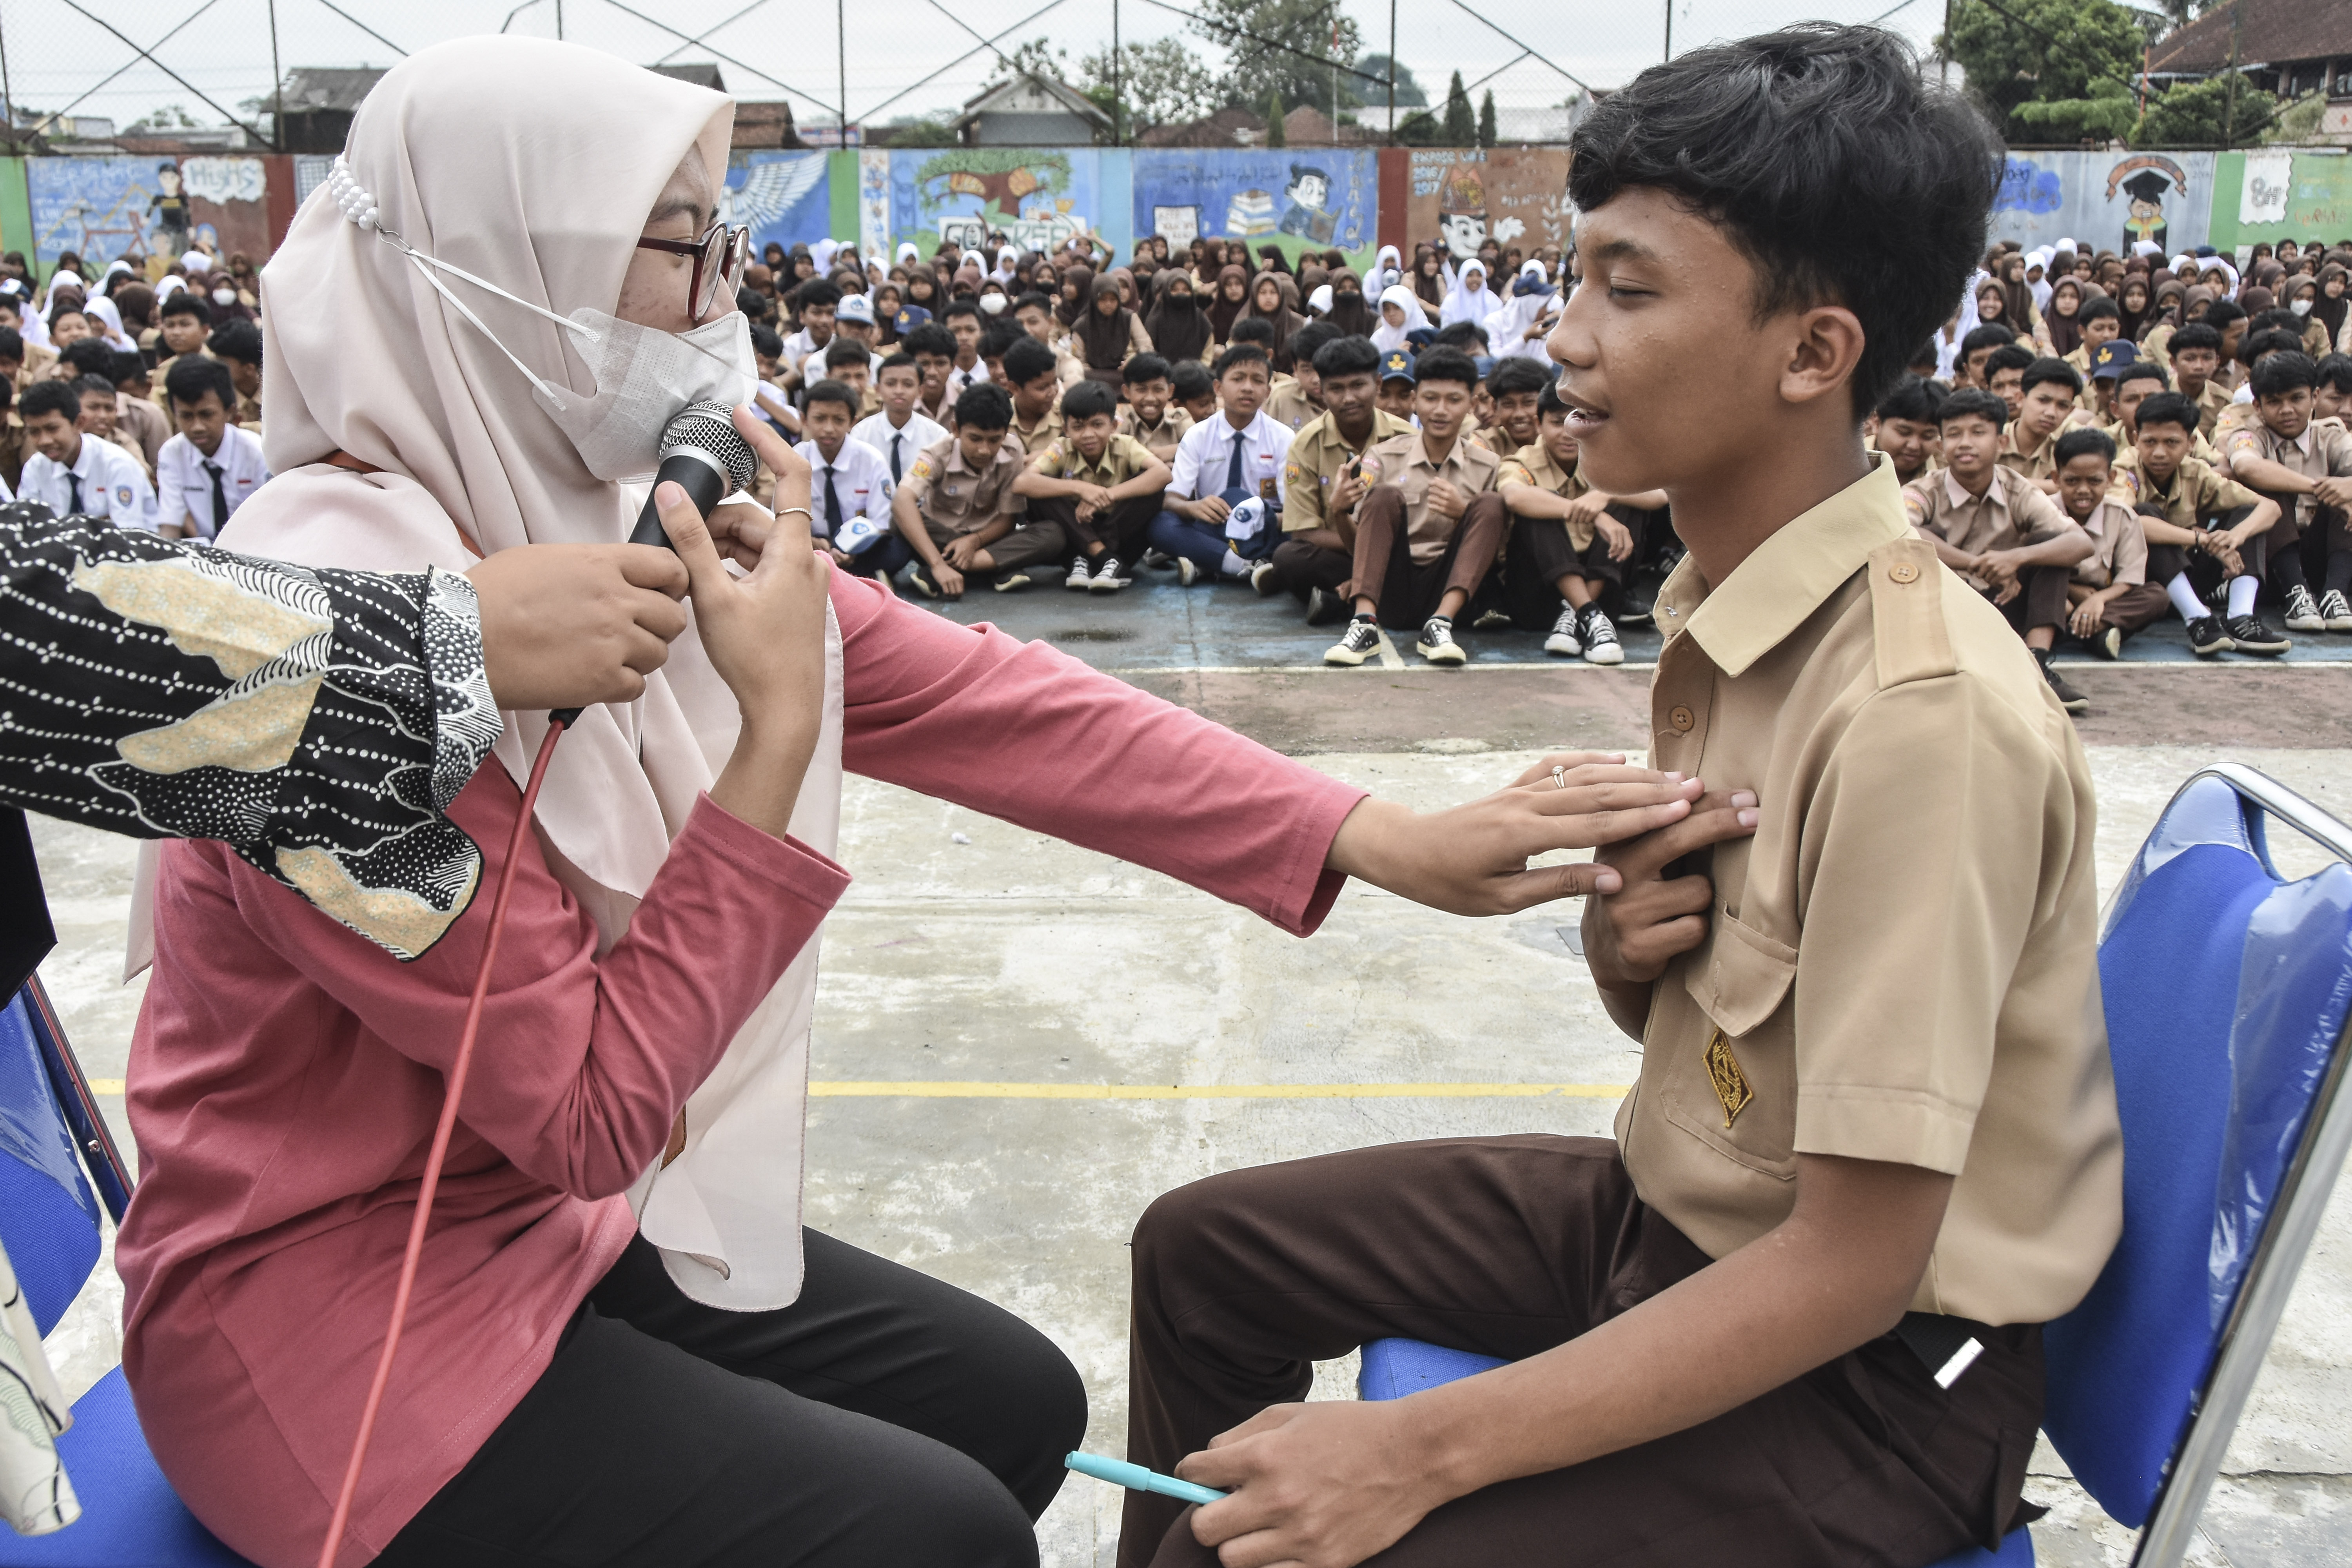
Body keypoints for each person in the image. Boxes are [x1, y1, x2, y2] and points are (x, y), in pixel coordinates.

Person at [1118, 27, 2124, 1568]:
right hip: (1677, 1220)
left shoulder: (1920, 715)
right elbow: (1736, 1039)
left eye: (1628, 290)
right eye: (1574, 280)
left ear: (1813, 353)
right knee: (1206, 1254)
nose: (1565, 338)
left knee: (1247, 1538)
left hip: (1868, 1381)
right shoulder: (1724, 611)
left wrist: (1413, 1451)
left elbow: (1855, 1263)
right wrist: (1621, 953)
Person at [1903, 387, 2094, 711]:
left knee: (2049, 544)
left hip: (2004, 604)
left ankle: (2037, 665)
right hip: (1947, 607)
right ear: (1941, 446)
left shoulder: (2018, 489)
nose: (1965, 443)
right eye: (1954, 434)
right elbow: (1901, 531)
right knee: (1920, 538)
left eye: (1978, 433)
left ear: (2001, 442)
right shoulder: (1924, 490)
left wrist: (2015, 559)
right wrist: (1978, 564)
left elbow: (2081, 543)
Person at [1322, 347, 1506, 668]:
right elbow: (1361, 549)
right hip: (1396, 585)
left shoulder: (1488, 464)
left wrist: (1464, 513)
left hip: (1454, 589)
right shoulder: (1383, 456)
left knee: (1491, 504)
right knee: (1382, 496)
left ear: (1471, 406)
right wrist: (1339, 512)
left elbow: (1499, 551)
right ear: (1416, 400)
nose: (1440, 410)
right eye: (1431, 398)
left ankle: (1440, 624)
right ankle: (1364, 623)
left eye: (1454, 400)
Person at [1498, 382, 1671, 663]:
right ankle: (1589, 616)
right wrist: (1589, 512)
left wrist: (1605, 496)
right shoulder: (1521, 462)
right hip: (1538, 596)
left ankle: (1579, 612)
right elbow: (1514, 497)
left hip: (1602, 587)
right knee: (1539, 507)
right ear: (1538, 424)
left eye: (1578, 421)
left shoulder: (1605, 461)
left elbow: (1660, 495)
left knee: (1629, 504)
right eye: (1557, 423)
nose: (1568, 434)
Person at [2113, 390, 2286, 658]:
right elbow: (2129, 522)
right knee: (2146, 512)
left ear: (2191, 442)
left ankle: (2240, 616)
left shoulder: (2197, 472)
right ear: (2136, 439)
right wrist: (2201, 540)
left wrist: (2235, 537)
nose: (2160, 452)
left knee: (2248, 512)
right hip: (2143, 586)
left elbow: (2270, 508)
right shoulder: (2124, 470)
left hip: (2190, 577)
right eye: (2150, 442)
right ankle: (2198, 621)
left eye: (2172, 442)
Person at [1264, 335, 1412, 622]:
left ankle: (1343, 598)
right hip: (1341, 553)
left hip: (1400, 555)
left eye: (1358, 385)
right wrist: (1344, 519)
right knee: (1288, 558)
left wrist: (1377, 552)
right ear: (1322, 391)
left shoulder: (1405, 438)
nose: (1349, 398)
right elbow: (1304, 532)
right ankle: (1374, 593)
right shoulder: (1306, 445)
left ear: (1377, 385)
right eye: (1336, 389)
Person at [2221, 350, 2352, 632]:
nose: (2287, 410)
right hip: (2270, 563)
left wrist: (2346, 487)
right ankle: (2297, 595)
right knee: (2270, 489)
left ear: (2314, 397)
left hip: (2320, 555)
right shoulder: (2248, 434)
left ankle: (2335, 594)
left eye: (2296, 398)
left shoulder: (2331, 435)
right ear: (2257, 405)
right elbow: (2248, 468)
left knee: (2346, 491)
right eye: (2274, 402)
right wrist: (2321, 487)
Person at [895, 382, 1066, 597]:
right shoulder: (937, 454)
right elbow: (903, 498)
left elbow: (1008, 518)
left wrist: (973, 542)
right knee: (900, 521)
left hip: (989, 538)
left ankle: (953, 570)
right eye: (975, 439)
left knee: (1053, 534)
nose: (984, 450)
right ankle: (995, 567)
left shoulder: (1013, 451)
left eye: (994, 440)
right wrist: (938, 562)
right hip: (942, 538)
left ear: (1005, 434)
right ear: (956, 429)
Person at [1148, 343, 1293, 587]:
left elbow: (1294, 512)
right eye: (1238, 379)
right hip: (1213, 524)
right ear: (1218, 387)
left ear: (1268, 392)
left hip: (1265, 527)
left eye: (1257, 381)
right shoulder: (1198, 435)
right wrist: (1195, 508)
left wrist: (1254, 518)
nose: (1247, 388)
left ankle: (1208, 562)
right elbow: (1172, 499)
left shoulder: (1284, 438)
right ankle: (1245, 566)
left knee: (1291, 536)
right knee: (1161, 526)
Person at [1012, 377, 1169, 592]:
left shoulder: (1125, 445)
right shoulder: (1061, 448)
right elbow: (1022, 483)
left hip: (1119, 533)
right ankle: (1104, 558)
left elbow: (1163, 474)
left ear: (1113, 426)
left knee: (1152, 489)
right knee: (1040, 495)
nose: (1088, 435)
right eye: (1078, 427)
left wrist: (1107, 495)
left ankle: (1100, 558)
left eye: (1097, 425)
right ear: (1066, 429)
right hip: (1075, 532)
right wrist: (1080, 488)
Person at [2050, 426, 2167, 659]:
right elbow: (2028, 566)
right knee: (2051, 603)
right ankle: (2097, 632)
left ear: (2111, 479)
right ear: (2056, 479)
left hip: (2102, 599)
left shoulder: (2121, 515)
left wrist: (2097, 599)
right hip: (2054, 595)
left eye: (2094, 481)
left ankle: (2082, 628)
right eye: (2072, 481)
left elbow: (2129, 578)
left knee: (2157, 596)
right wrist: (2073, 591)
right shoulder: (2042, 512)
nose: (2083, 490)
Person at [154, 354, 270, 541]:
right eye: (186, 416)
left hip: (254, 547)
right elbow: (170, 526)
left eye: (206, 415)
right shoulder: (172, 453)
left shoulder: (256, 452)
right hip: (203, 554)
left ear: (230, 412)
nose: (197, 427)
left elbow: (271, 520)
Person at [15, 378, 157, 528]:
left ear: (79, 423)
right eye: (34, 432)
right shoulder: (35, 468)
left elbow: (127, 534)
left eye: (53, 429)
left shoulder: (117, 464)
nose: (45, 441)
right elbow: (29, 529)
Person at [797, 379, 900, 582]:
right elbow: (782, 518)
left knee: (897, 551)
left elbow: (881, 522)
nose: (829, 428)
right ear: (804, 420)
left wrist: (852, 549)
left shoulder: (871, 460)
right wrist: (810, 542)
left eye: (838, 420)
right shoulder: (795, 459)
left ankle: (850, 571)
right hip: (814, 544)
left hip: (861, 544)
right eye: (820, 419)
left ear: (853, 421)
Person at [851, 351, 948, 485]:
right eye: (891, 384)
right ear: (877, 389)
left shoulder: (937, 436)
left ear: (920, 391)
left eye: (908, 385)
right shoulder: (861, 434)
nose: (899, 391)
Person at [2000, 358, 2081, 490]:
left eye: (2062, 406)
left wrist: (2004, 482)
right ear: (2020, 398)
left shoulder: (2068, 449)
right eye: (2043, 401)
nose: (2051, 413)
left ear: (2071, 411)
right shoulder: (1993, 439)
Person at [1867, 374, 1942, 485]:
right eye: (1904, 433)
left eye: (1928, 436)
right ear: (1876, 423)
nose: (1914, 446)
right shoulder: (1845, 463)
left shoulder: (1948, 477)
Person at [1118, 352, 1192, 464]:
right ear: (1127, 392)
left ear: (1170, 391)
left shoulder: (1180, 418)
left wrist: (1175, 450)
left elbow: (1202, 445)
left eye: (1158, 390)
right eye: (1141, 390)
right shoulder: (1122, 419)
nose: (1150, 398)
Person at [1000, 336, 1065, 455]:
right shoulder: (998, 419)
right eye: (1042, 388)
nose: (1052, 392)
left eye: (1055, 382)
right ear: (1014, 388)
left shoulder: (1066, 417)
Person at [206, 319, 265, 428]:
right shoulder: (216, 398)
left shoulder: (278, 395)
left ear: (249, 369)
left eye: (222, 363)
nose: (215, 368)